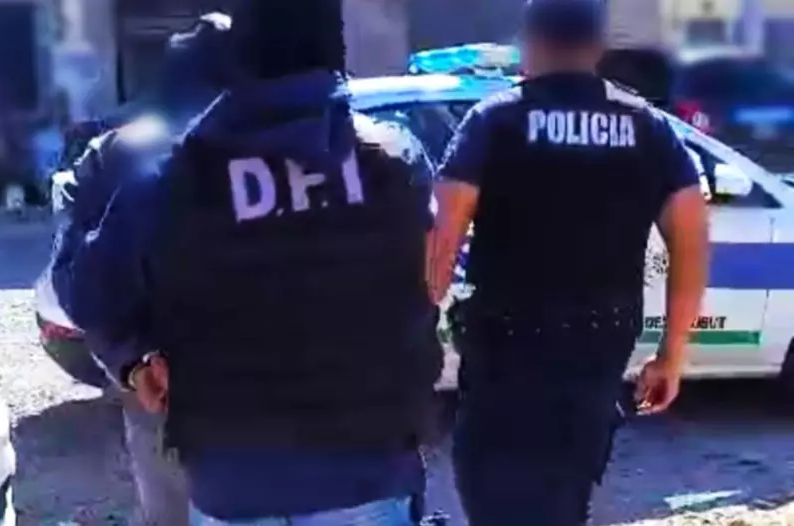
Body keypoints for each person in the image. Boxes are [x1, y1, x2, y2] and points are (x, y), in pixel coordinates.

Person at [57, 0, 443, 524]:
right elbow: (426, 279)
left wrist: (132, 359)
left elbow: (89, 293)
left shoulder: (169, 180)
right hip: (370, 474)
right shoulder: (395, 159)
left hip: (234, 484)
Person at [426, 1, 710, 525]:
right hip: (597, 351)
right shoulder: (648, 126)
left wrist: (421, 324)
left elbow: (442, 238)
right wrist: (672, 354)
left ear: (530, 41)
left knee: (491, 488)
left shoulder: (495, 119)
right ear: (598, 46)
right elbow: (692, 233)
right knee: (566, 489)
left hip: (506, 352)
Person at [50, 13, 235, 526]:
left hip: (161, 380)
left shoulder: (119, 148)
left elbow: (79, 283)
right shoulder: (275, 142)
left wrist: (131, 359)